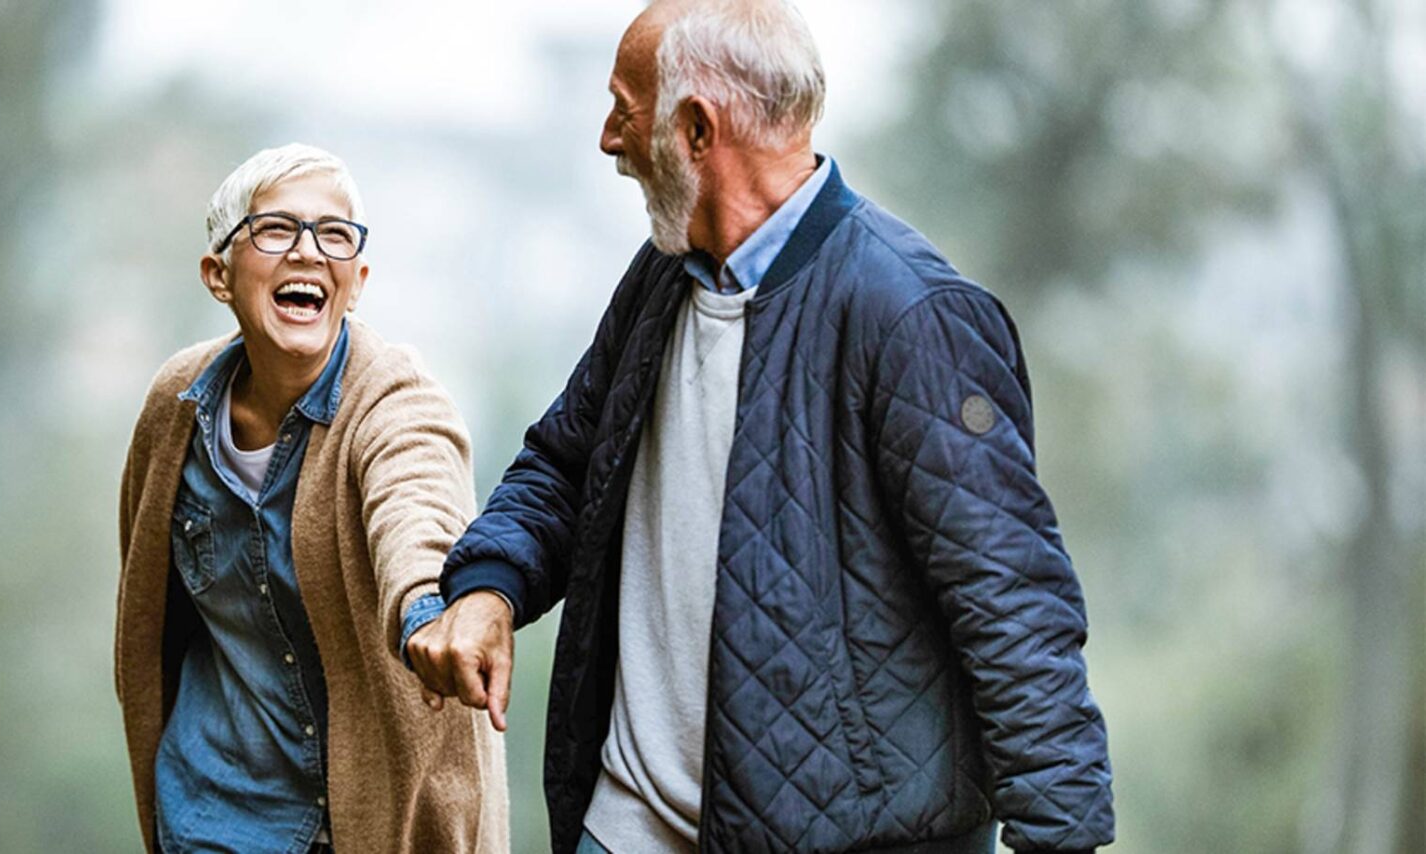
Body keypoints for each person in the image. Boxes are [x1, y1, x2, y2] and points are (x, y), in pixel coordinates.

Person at [405, 3, 1115, 852]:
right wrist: (490, 588)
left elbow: (1014, 613)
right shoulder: (661, 278)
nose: (607, 140)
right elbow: (566, 464)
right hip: (626, 825)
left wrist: (1057, 840)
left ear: (697, 129)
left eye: (624, 111)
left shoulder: (912, 315)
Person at [114, 143, 509, 853]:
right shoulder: (176, 409)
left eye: (333, 234)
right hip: (212, 817)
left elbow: (417, 509)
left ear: (355, 281)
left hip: (374, 823)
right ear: (218, 274)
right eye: (275, 229)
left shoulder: (395, 399)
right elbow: (147, 612)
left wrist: (427, 606)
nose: (307, 252)